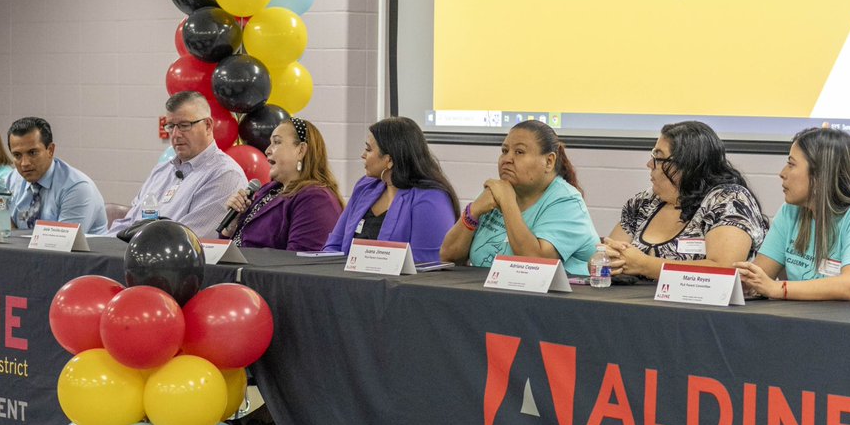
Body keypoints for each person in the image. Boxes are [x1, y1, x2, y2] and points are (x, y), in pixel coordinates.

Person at [735, 127, 850, 301]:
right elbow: (759, 277)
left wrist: (778, 288)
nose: (782, 173)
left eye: (791, 164)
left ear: (819, 174)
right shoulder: (790, 211)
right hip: (819, 318)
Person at [603, 121, 767, 278]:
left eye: (658, 158)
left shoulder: (729, 200)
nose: (649, 164)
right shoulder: (644, 202)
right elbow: (608, 254)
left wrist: (646, 265)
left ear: (687, 164)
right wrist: (603, 261)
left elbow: (725, 270)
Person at [440, 119, 599, 274]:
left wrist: (507, 202)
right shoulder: (497, 192)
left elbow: (535, 263)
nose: (507, 159)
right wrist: (473, 212)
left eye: (519, 152)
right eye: (504, 151)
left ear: (549, 161)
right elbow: (449, 257)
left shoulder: (567, 202)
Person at [107, 92, 247, 237]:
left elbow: (187, 239)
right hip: (132, 252)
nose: (175, 135)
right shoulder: (161, 171)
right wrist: (103, 245)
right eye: (170, 126)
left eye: (184, 125)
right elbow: (130, 221)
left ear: (208, 125)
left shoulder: (225, 175)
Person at [324, 117, 460, 262]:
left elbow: (426, 264)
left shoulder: (431, 198)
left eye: (369, 150)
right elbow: (334, 245)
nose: (363, 155)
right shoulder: (365, 187)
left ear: (389, 160)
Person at [219, 117, 343, 250]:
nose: (267, 150)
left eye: (276, 142)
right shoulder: (268, 190)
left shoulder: (316, 199)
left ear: (301, 150)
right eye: (270, 143)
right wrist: (232, 226)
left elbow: (300, 263)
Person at [6, 117, 108, 234]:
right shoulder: (8, 182)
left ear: (50, 150)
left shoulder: (77, 188)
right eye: (17, 155)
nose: (25, 163)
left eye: (32, 153)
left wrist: (12, 229)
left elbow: (63, 245)